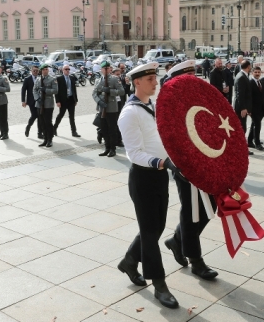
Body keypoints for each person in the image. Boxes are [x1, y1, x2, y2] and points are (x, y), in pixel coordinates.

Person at [117, 61, 181, 309]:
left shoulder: (150, 106)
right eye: (151, 79)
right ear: (137, 83)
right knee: (150, 234)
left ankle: (129, 261)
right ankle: (160, 284)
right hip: (143, 178)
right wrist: (161, 162)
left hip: (160, 174)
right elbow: (134, 153)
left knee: (157, 227)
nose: (156, 82)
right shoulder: (129, 113)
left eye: (155, 78)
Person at [159, 60, 219, 281]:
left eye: (194, 76)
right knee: (191, 210)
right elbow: (168, 136)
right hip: (185, 165)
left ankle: (177, 239)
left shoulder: (199, 97)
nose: (194, 80)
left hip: (206, 162)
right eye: (188, 77)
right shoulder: (170, 102)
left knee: (210, 206)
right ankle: (195, 260)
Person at [92, 61, 125, 157]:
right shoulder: (98, 80)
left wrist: (110, 91)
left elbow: (121, 91)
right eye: (104, 68)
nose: (106, 70)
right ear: (101, 69)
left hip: (112, 108)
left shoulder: (114, 79)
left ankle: (112, 149)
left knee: (112, 129)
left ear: (110, 69)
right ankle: (106, 148)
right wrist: (99, 101)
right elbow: (94, 93)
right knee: (104, 129)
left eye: (108, 68)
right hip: (102, 108)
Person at [34, 64, 58, 147]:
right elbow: (34, 90)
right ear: (41, 71)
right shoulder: (38, 79)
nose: (45, 71)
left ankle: (50, 139)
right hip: (39, 104)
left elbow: (55, 90)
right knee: (41, 122)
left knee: (48, 122)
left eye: (46, 69)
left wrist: (46, 90)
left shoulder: (52, 79)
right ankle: (45, 139)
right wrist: (37, 99)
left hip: (48, 103)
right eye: (43, 69)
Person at [233, 60, 254, 155]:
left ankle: (240, 147)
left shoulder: (241, 75)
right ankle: (241, 148)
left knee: (242, 127)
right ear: (248, 66)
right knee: (242, 128)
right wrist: (243, 108)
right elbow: (240, 95)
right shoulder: (241, 77)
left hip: (242, 107)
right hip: (241, 108)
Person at [54, 64, 80, 138]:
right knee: (61, 115)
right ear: (63, 70)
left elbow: (74, 90)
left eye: (68, 69)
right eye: (66, 69)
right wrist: (57, 101)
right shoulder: (59, 79)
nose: (67, 70)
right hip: (63, 100)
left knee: (72, 116)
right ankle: (54, 128)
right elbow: (56, 91)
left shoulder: (72, 78)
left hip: (71, 99)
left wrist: (76, 100)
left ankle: (74, 131)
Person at [247, 66, 264, 150]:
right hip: (253, 109)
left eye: (259, 72)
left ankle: (249, 141)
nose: (257, 74)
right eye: (255, 72)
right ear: (252, 73)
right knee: (257, 125)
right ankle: (257, 142)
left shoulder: (261, 82)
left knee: (254, 124)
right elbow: (248, 97)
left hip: (261, 108)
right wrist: (249, 109)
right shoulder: (250, 83)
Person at [21, 65, 42, 138]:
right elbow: (23, 90)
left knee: (40, 116)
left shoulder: (40, 78)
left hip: (39, 100)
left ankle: (39, 133)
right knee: (34, 115)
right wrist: (23, 101)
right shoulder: (27, 79)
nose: (35, 72)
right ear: (31, 71)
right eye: (34, 70)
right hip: (31, 101)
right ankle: (28, 126)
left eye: (37, 70)